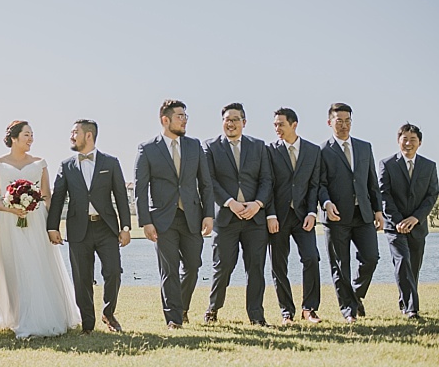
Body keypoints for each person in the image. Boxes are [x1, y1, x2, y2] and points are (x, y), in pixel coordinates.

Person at [0, 120, 81, 338]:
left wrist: (51, 225)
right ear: (14, 138)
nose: (31, 139)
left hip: (35, 221)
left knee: (36, 264)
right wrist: (10, 209)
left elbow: (47, 196)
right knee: (11, 267)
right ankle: (16, 314)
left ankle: (41, 316)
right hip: (7, 222)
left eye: (32, 135)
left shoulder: (40, 163)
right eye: (26, 135)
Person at [134, 101, 214, 329]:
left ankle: (182, 307)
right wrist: (145, 221)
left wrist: (209, 214)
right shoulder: (147, 149)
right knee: (169, 270)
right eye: (180, 116)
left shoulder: (194, 146)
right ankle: (174, 319)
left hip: (192, 217)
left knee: (193, 266)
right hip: (162, 219)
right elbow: (140, 188)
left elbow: (206, 183)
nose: (185, 119)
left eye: (186, 115)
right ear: (165, 120)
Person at [48, 119, 131, 334]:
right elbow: (58, 198)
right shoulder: (66, 165)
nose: (71, 136)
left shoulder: (110, 163)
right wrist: (52, 227)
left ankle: (108, 313)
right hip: (78, 229)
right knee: (82, 278)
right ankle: (88, 324)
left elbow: (121, 196)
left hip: (106, 228)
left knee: (113, 272)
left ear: (88, 135)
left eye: (75, 132)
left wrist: (126, 227)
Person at [203, 103, 272, 326]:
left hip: (255, 219)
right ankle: (213, 310)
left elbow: (267, 180)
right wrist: (230, 203)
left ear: (244, 122)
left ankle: (256, 316)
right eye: (227, 119)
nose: (230, 123)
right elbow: (209, 181)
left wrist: (258, 204)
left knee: (255, 270)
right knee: (222, 267)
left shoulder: (259, 146)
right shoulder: (210, 147)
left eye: (235, 119)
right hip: (225, 219)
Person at [318, 103, 383, 323]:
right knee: (340, 265)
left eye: (347, 121)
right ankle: (349, 311)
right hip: (336, 216)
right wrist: (326, 203)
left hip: (363, 214)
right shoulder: (322, 151)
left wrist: (378, 210)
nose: (344, 125)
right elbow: (320, 184)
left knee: (371, 258)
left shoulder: (365, 148)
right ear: (329, 123)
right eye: (339, 121)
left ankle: (355, 295)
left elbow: (372, 182)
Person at [265, 108, 323, 325]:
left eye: (280, 124)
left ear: (294, 124)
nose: (277, 129)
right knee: (278, 264)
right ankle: (286, 312)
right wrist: (270, 214)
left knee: (311, 258)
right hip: (277, 217)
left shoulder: (313, 150)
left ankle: (309, 309)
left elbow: (314, 184)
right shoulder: (269, 150)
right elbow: (267, 184)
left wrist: (311, 212)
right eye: (275, 125)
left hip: (302, 216)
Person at [378, 123, 439, 319]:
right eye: (405, 139)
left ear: (419, 143)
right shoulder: (386, 164)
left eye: (413, 139)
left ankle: (405, 301)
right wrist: (398, 220)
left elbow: (432, 195)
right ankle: (412, 309)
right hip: (394, 226)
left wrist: (415, 218)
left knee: (413, 267)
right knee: (403, 262)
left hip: (418, 226)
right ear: (398, 141)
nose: (408, 143)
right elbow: (383, 194)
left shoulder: (429, 166)